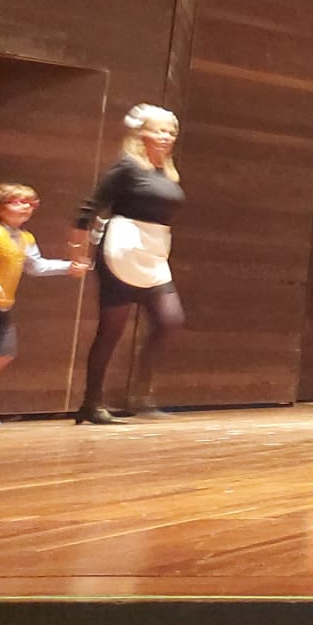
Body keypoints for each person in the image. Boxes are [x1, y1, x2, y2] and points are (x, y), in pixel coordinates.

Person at [67, 105, 187, 423]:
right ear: (141, 133)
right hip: (122, 247)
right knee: (111, 330)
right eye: (159, 130)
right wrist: (78, 252)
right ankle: (91, 403)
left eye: (171, 131)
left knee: (170, 321)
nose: (166, 136)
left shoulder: (167, 171)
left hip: (154, 250)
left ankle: (140, 395)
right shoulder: (127, 166)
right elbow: (88, 208)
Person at [0, 184, 89, 407]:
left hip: (4, 306)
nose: (25, 207)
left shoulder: (25, 238)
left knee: (5, 353)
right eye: (17, 201)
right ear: (0, 206)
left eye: (30, 203)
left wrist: (70, 267)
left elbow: (36, 267)